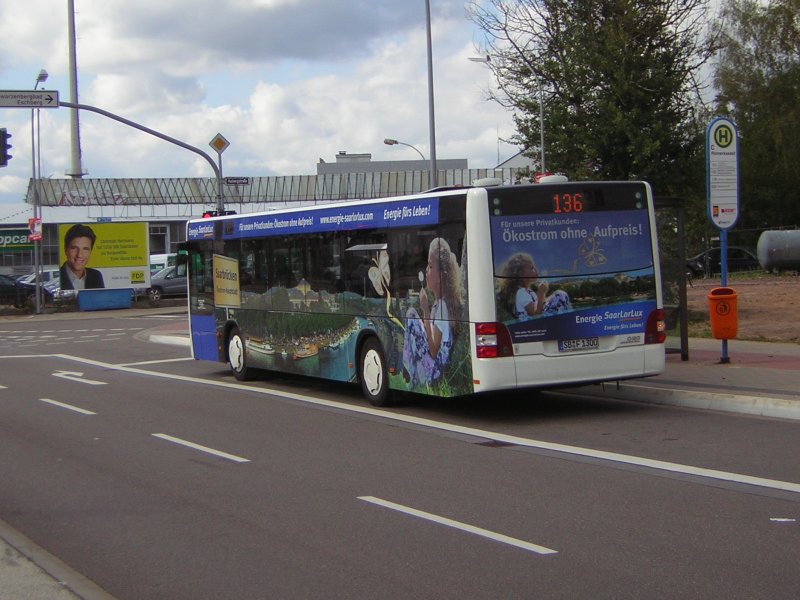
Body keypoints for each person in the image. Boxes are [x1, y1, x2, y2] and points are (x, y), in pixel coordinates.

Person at [402, 237, 463, 388]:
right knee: (414, 317)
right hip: (434, 366)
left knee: (410, 314)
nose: (426, 271)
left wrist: (425, 311)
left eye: (430, 266)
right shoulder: (440, 303)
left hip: (434, 371)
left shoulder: (441, 307)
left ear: (441, 275)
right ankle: (410, 370)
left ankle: (411, 373)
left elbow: (434, 351)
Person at [498, 252, 571, 320]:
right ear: (521, 274)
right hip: (534, 325)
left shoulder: (526, 291)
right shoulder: (521, 293)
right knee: (560, 295)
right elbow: (536, 315)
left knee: (557, 294)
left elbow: (539, 304)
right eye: (532, 268)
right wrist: (541, 293)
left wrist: (548, 298)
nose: (536, 270)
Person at [60, 224, 105, 290]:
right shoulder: (56, 278)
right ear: (66, 250)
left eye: (85, 249)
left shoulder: (96, 276)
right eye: (74, 248)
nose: (79, 255)